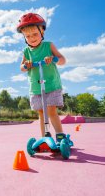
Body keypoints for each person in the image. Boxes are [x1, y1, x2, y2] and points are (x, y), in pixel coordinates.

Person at [17, 12, 68, 144]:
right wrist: (26, 65)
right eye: (28, 36)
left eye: (35, 34)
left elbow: (63, 60)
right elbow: (21, 68)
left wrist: (54, 59)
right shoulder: (26, 51)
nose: (32, 38)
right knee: (41, 113)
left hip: (51, 85)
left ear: (42, 33)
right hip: (36, 87)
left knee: (51, 110)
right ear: (24, 37)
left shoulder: (48, 46)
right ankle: (44, 137)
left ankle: (60, 136)